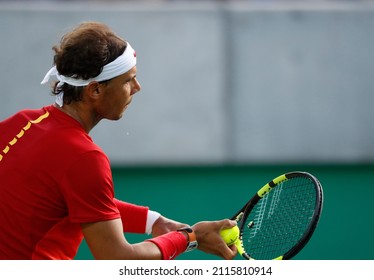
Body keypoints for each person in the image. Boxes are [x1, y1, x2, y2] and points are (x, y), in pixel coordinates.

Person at [0, 22, 237, 260]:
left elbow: (80, 199)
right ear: (94, 91)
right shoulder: (84, 157)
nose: (137, 87)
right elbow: (117, 259)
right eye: (127, 80)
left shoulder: (19, 123)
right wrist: (189, 238)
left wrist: (154, 221)